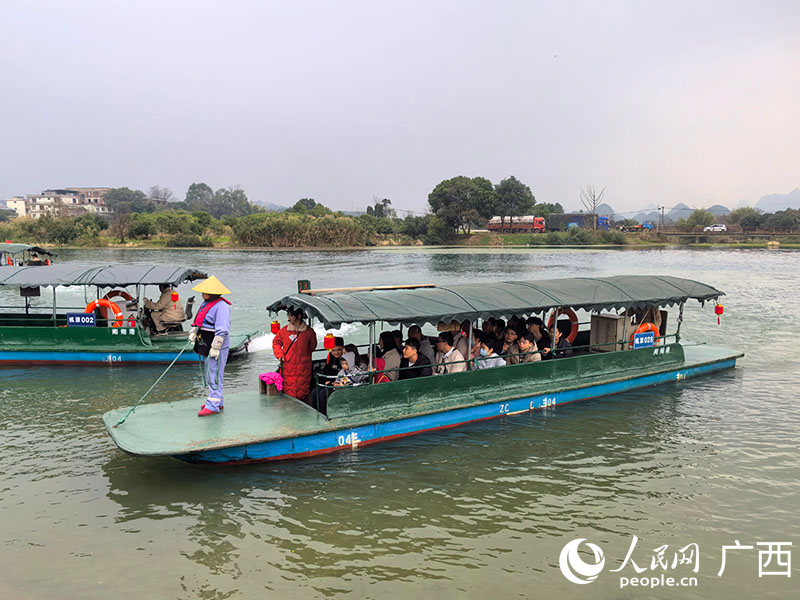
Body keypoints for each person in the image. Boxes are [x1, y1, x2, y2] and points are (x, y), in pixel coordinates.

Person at [190, 276, 232, 416]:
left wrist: (216, 347)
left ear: (212, 292)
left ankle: (213, 405)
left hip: (216, 343)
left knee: (214, 373)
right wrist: (194, 331)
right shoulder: (205, 303)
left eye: (204, 292)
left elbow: (223, 329)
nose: (202, 294)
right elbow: (200, 321)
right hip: (205, 340)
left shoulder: (222, 307)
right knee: (209, 372)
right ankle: (216, 400)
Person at [272, 307, 317, 402]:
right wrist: (280, 354)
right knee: (289, 391)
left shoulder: (309, 332)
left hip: (304, 367)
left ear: (299, 316)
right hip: (288, 366)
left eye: (291, 314)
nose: (289, 316)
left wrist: (303, 356)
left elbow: (313, 346)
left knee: (303, 389)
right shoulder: (284, 331)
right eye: (288, 314)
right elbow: (276, 342)